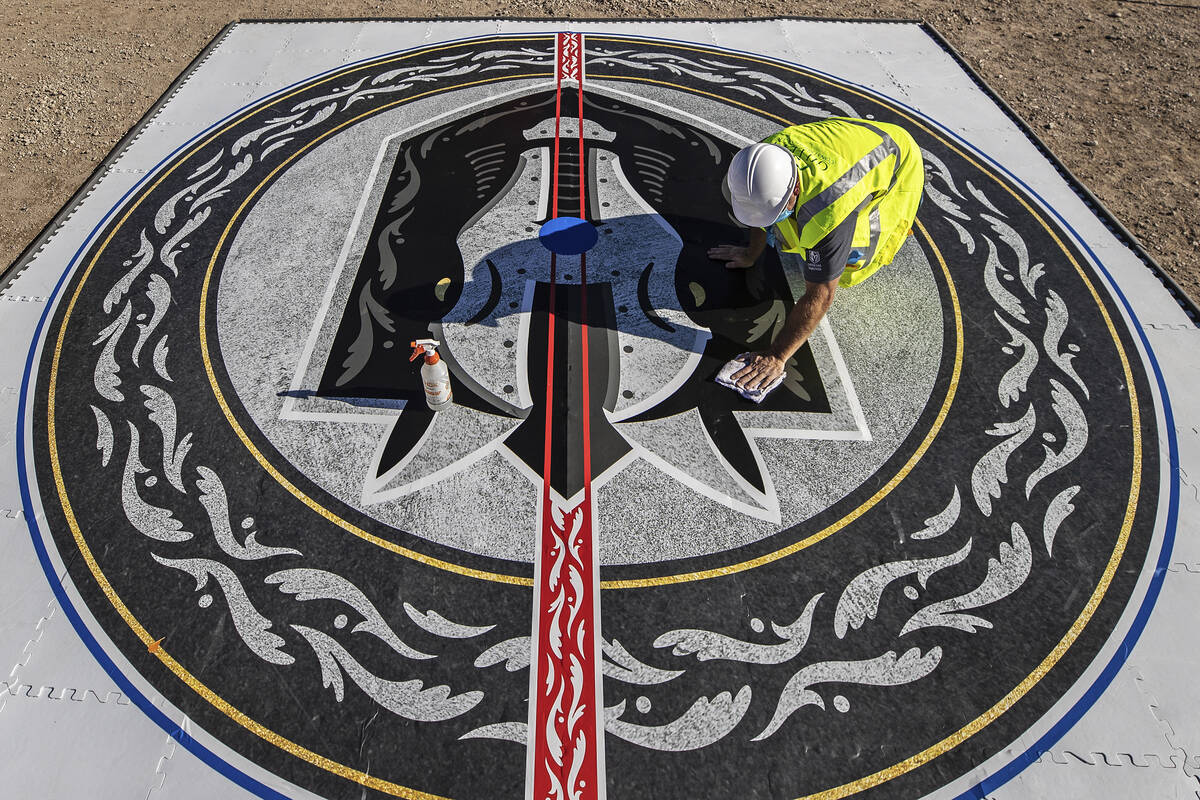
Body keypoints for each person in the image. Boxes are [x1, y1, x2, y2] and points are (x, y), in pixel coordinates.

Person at [708, 117, 924, 393]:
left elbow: (820, 295)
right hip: (848, 144)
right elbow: (762, 214)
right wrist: (752, 253)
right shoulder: (757, 164)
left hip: (897, 157)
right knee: (796, 233)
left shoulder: (830, 210)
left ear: (795, 189)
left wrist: (776, 356)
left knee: (849, 263)